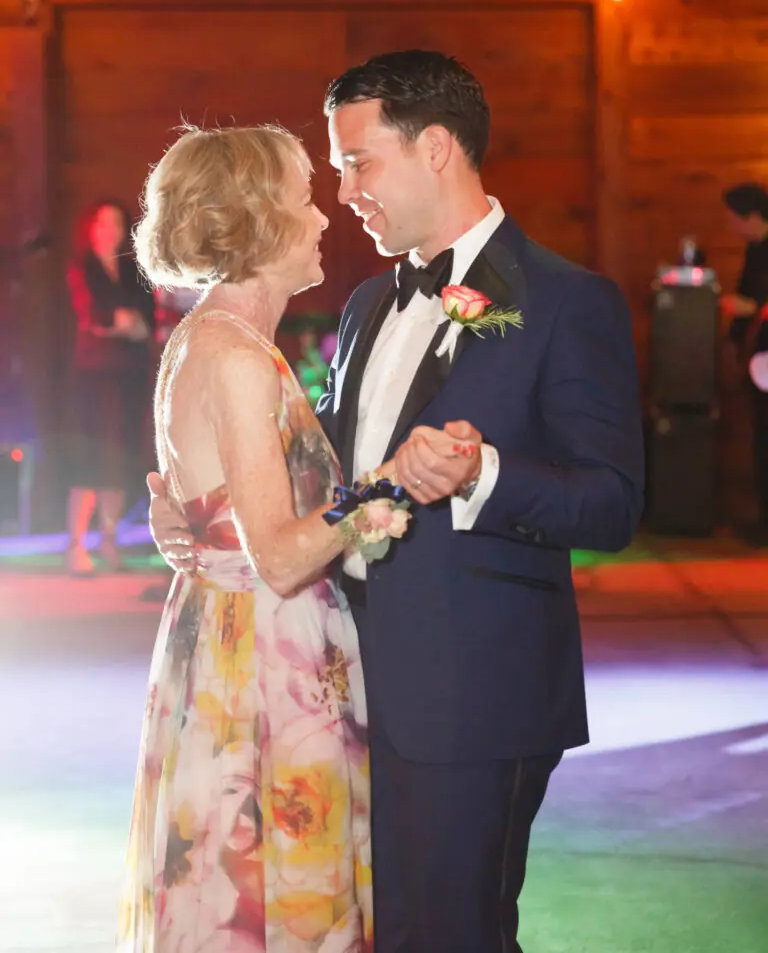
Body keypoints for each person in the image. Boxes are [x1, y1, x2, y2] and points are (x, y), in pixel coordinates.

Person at [149, 52, 645, 952]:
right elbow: (320, 475)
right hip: (330, 688)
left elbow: (611, 503)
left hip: (469, 697)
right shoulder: (367, 305)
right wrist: (199, 505)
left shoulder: (569, 302)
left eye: (357, 162)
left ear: (438, 149)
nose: (343, 192)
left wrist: (482, 472)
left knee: (449, 933)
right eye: (334, 171)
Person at [118, 124, 424, 951]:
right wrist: (395, 482)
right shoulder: (238, 359)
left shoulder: (210, 342)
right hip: (263, 665)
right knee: (272, 893)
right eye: (302, 199)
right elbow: (282, 556)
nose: (324, 218)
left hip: (229, 643)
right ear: (257, 220)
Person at [66, 200, 154, 574]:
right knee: (89, 457)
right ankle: (76, 545)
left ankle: (109, 541)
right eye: (103, 224)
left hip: (128, 373)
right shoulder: (81, 267)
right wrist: (121, 322)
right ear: (91, 228)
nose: (110, 230)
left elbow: (146, 319)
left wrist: (127, 322)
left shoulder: (134, 270)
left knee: (118, 456)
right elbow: (93, 315)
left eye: (117, 224)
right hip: (93, 372)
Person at [721, 183, 768, 544]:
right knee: (761, 434)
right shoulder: (755, 251)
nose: (730, 227)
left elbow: (754, 302)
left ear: (751, 216)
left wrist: (751, 310)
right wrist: (734, 340)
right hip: (759, 355)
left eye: (733, 219)